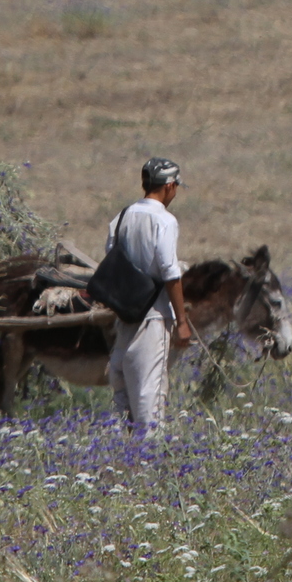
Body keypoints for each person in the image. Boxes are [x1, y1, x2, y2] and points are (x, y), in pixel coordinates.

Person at [103, 157, 194, 435]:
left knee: (122, 390)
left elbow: (110, 259)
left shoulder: (122, 217)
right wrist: (181, 321)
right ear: (168, 187)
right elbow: (170, 272)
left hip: (125, 313)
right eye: (175, 185)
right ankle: (148, 460)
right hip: (154, 316)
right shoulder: (164, 221)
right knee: (149, 393)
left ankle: (122, 452)